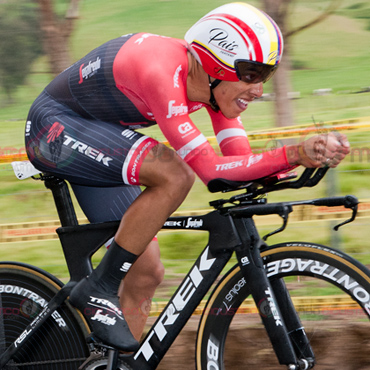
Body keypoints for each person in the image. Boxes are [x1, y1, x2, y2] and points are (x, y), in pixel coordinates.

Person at [25, 2, 350, 351]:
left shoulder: (215, 92)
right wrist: (292, 153)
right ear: (215, 65)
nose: (258, 90)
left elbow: (237, 168)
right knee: (174, 174)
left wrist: (304, 159)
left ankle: (116, 361)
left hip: (103, 134)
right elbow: (209, 171)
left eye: (266, 76)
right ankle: (98, 289)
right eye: (252, 74)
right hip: (53, 129)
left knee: (146, 271)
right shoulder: (161, 70)